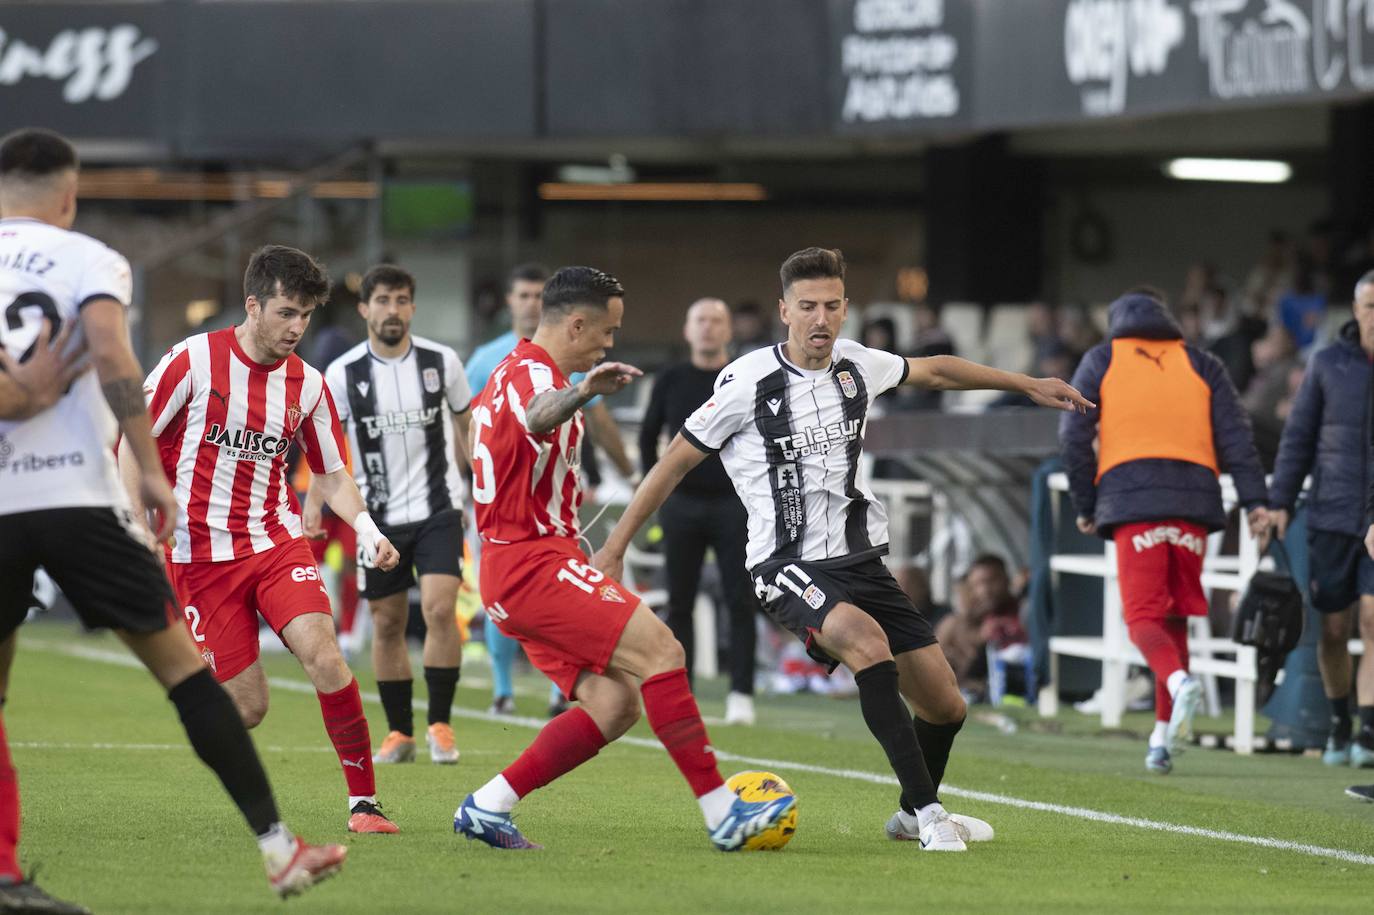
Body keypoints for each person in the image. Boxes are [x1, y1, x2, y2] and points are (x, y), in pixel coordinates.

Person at [595, 247, 1091, 852]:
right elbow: (672, 464)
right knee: (864, 641)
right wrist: (616, 546)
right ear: (784, 310)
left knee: (946, 705)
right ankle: (933, 815)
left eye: (831, 306)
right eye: (807, 307)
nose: (820, 319)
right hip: (784, 564)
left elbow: (934, 370)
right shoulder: (746, 383)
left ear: (846, 309)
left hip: (861, 562)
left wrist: (1025, 383)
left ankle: (910, 813)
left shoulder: (858, 365)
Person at [0, 128, 344, 911]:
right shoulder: (90, 259)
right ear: (68, 195)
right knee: (189, 678)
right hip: (75, 497)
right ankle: (279, 849)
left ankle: (5, 869)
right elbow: (115, 361)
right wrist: (152, 476)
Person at [454, 266, 795, 852]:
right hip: (531, 566)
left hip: (518, 566)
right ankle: (722, 813)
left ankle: (488, 805)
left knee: (613, 705)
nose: (609, 344)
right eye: (606, 332)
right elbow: (539, 414)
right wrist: (584, 391)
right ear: (577, 322)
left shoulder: (509, 374)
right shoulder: (535, 374)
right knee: (663, 650)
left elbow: (488, 443)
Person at [125, 244, 403, 836]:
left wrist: (368, 530)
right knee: (247, 709)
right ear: (252, 305)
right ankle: (191, 695)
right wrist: (134, 524)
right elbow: (132, 440)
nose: (297, 327)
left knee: (325, 656)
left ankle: (364, 805)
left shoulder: (308, 384)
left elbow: (330, 474)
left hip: (274, 543)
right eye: (286, 313)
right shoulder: (191, 361)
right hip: (198, 557)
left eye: (305, 315)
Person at [1061, 289, 1269, 776]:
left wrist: (1085, 503)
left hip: (1134, 502)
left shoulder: (1102, 358)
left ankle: (1177, 685)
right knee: (1173, 620)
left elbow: (1072, 433)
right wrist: (1256, 501)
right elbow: (1237, 436)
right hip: (1195, 504)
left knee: (1141, 618)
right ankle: (1162, 738)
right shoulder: (1202, 363)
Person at [307, 263, 470, 766]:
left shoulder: (442, 362)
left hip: (439, 506)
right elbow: (326, 449)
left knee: (441, 609)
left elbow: (467, 427)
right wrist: (313, 503)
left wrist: (482, 484)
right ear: (365, 309)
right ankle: (400, 733)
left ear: (413, 308)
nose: (392, 310)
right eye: (382, 301)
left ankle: (441, 724)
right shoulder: (343, 373)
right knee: (387, 622)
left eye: (401, 301)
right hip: (375, 519)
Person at [465, 263, 635, 717]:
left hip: (538, 535)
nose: (528, 302)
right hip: (523, 540)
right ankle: (504, 689)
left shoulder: (542, 363)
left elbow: (594, 421)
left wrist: (620, 471)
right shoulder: (496, 360)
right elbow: (474, 421)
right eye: (522, 294)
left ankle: (497, 789)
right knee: (658, 653)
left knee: (615, 699)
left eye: (535, 294)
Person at [1268, 274, 1374, 767]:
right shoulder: (1328, 365)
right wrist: (1280, 501)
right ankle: (1339, 722)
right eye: (1370, 306)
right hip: (1332, 514)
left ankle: (1368, 733)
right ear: (1355, 309)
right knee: (1334, 629)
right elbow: (1298, 440)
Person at [639, 298, 760, 724]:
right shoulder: (670, 379)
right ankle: (682, 695)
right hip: (682, 502)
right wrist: (654, 488)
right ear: (687, 330)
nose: (708, 328)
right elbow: (648, 434)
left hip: (734, 504)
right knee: (680, 601)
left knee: (739, 599)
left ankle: (741, 694)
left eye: (716, 321)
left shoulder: (743, 377)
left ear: (728, 330)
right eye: (700, 321)